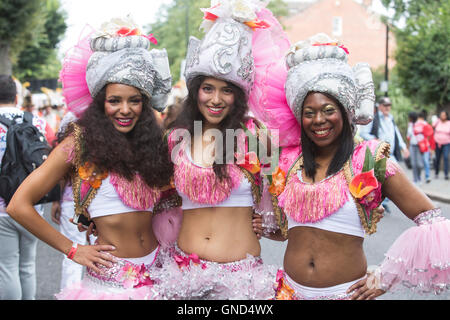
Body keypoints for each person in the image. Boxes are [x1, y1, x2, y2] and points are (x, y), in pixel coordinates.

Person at [252, 33, 450, 300]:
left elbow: (431, 219)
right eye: (309, 113)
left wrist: (386, 276)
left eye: (328, 109)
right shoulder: (288, 161)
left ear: (345, 110)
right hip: (288, 293)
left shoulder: (369, 160)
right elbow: (288, 232)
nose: (318, 120)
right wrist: (262, 227)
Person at [6, 17, 177, 300]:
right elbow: (18, 205)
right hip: (108, 287)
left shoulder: (153, 145)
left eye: (134, 100)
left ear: (144, 103)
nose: (125, 109)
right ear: (100, 102)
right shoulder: (81, 143)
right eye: (115, 100)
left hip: (159, 277)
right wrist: (73, 249)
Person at [152, 1, 283, 300]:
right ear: (195, 90)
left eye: (227, 90)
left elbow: (284, 203)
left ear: (239, 95)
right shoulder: (177, 140)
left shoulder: (259, 136)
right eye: (208, 88)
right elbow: (154, 199)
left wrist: (270, 222)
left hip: (242, 283)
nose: (216, 99)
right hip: (182, 277)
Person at [0, 75, 51, 300]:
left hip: (2, 207)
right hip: (33, 205)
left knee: (6, 266)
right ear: (16, 96)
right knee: (28, 265)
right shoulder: (37, 120)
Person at [414, 110, 435, 183]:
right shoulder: (419, 125)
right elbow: (431, 137)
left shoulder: (421, 125)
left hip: (422, 146)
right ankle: (426, 176)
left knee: (421, 162)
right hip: (423, 146)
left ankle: (424, 177)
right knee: (425, 162)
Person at [406, 111, 423, 184]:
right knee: (413, 163)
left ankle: (419, 177)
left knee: (419, 164)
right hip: (412, 146)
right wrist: (407, 147)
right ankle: (415, 179)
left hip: (419, 146)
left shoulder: (420, 124)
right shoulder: (410, 125)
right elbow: (408, 136)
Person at [433, 110, 450, 180]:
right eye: (441, 115)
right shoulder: (438, 122)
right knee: (437, 158)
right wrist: (437, 120)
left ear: (446, 116)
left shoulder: (449, 123)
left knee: (446, 157)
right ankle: (436, 172)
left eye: (444, 115)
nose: (442, 116)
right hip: (438, 143)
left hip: (446, 143)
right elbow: (432, 126)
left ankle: (446, 174)